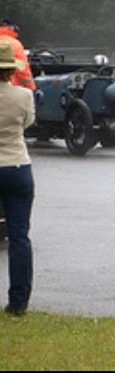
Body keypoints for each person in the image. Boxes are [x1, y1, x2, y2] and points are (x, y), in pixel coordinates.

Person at [0, 41, 36, 316]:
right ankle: (19, 301)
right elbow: (28, 124)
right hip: (17, 167)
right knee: (19, 236)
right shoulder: (24, 96)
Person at [0, 17, 36, 91]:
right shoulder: (15, 44)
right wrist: (31, 88)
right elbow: (22, 70)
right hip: (11, 90)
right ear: (12, 28)